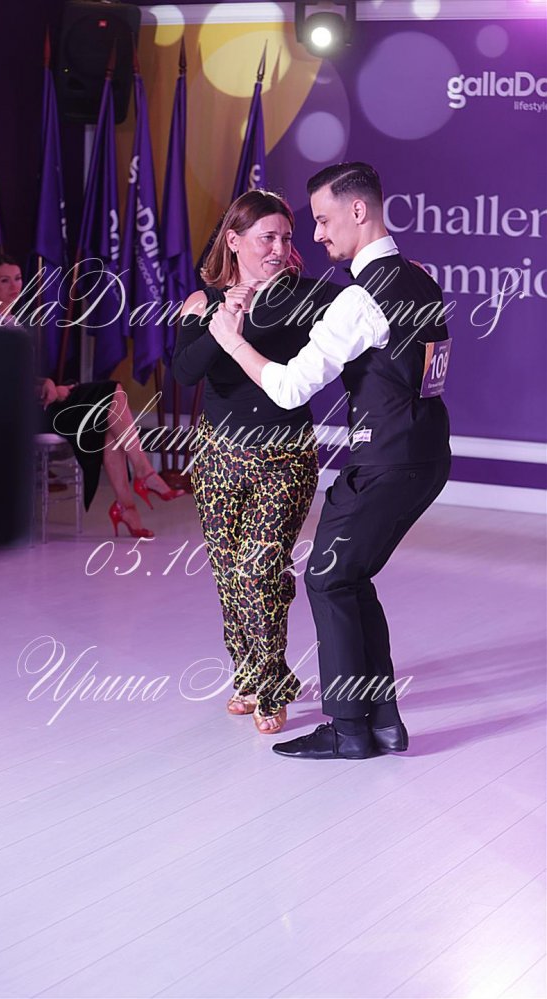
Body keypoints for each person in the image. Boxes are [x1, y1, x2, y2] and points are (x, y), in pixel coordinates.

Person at [209, 162, 452, 759]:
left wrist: (232, 340)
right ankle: (382, 723)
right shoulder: (421, 279)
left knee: (327, 578)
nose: (315, 234)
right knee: (348, 577)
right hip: (426, 455)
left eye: (321, 220)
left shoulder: (361, 299)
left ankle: (348, 730)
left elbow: (290, 388)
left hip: (385, 460)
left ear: (358, 211)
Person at [173, 190, 341, 734]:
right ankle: (248, 674)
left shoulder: (310, 296)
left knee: (260, 570)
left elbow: (368, 301)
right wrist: (226, 318)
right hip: (218, 455)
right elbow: (185, 372)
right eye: (267, 237)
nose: (278, 248)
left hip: (285, 455)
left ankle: (270, 685)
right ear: (234, 240)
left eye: (286, 238)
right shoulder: (204, 302)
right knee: (230, 575)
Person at [0, 253, 185, 538]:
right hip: (19, 414)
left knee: (110, 417)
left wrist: (48, 385)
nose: (14, 286)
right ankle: (144, 474)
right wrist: (47, 388)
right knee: (112, 393)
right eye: (5, 281)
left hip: (39, 402)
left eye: (17, 279)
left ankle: (127, 505)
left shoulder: (12, 320)